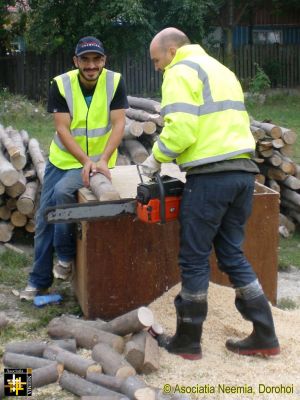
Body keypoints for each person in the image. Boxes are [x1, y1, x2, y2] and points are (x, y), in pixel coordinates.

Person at [141, 27, 280, 360]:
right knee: (231, 254)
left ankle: (188, 341)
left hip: (210, 179)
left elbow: (182, 131)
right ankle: (265, 334)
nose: (157, 67)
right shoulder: (221, 70)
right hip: (243, 174)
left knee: (194, 257)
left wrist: (155, 158)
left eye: (156, 60)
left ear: (171, 51)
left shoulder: (180, 72)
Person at [20, 36, 128, 300]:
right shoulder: (61, 84)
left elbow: (118, 124)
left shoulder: (114, 81)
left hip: (100, 161)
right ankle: (39, 281)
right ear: (76, 61)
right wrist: (84, 161)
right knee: (46, 216)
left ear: (104, 60)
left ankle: (66, 258)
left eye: (96, 59)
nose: (91, 65)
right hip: (65, 159)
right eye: (85, 60)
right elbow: (62, 129)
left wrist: (101, 160)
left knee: (62, 196)